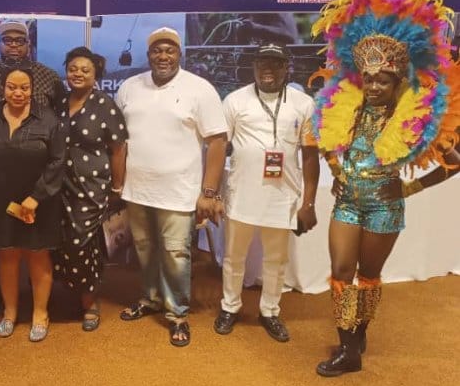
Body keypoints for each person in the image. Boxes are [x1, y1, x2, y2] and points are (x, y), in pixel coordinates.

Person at [308, 0, 460, 377]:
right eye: (369, 78)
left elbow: (455, 161)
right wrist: (337, 171)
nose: (374, 85)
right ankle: (348, 349)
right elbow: (323, 140)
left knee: (368, 275)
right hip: (347, 203)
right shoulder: (347, 108)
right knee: (341, 272)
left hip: (385, 208)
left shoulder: (414, 118)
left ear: (398, 81)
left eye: (383, 79)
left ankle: (360, 331)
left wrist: (411, 186)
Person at [116, 27, 228, 347]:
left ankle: (177, 313)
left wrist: (209, 193)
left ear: (179, 54)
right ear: (148, 54)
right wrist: (118, 184)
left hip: (179, 192)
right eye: (157, 50)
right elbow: (119, 140)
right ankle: (151, 298)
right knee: (144, 248)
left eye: (170, 50)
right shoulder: (129, 87)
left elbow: (217, 141)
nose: (163, 56)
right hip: (137, 190)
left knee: (176, 253)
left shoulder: (199, 89)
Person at [214, 43, 320, 342]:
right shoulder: (235, 101)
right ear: (254, 66)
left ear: (287, 67)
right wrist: (215, 194)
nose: (268, 69)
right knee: (234, 257)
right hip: (241, 194)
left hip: (283, 196)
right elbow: (219, 148)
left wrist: (308, 203)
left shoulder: (304, 104)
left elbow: (310, 155)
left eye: (275, 63)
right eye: (262, 63)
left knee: (276, 259)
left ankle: (270, 311)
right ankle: (230, 306)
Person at [0, 20, 65, 308]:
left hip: (36, 172)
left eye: (21, 40)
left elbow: (59, 114)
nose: (14, 46)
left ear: (29, 44)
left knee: (37, 246)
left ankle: (38, 297)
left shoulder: (48, 76)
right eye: (8, 40)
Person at [0, 68, 65, 342]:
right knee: (7, 256)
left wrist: (36, 197)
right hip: (0, 201)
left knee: (37, 256)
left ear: (32, 89)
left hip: (38, 202)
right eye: (11, 87)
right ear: (3, 88)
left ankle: (40, 314)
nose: (18, 93)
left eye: (24, 87)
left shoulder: (48, 119)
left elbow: (57, 161)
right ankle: (9, 312)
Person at [53, 47, 128, 332]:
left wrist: (117, 187)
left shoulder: (104, 104)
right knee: (61, 241)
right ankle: (71, 293)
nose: (78, 74)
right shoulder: (60, 102)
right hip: (58, 185)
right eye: (73, 68)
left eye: (85, 70)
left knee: (83, 243)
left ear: (96, 74)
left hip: (91, 186)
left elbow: (118, 148)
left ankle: (90, 301)